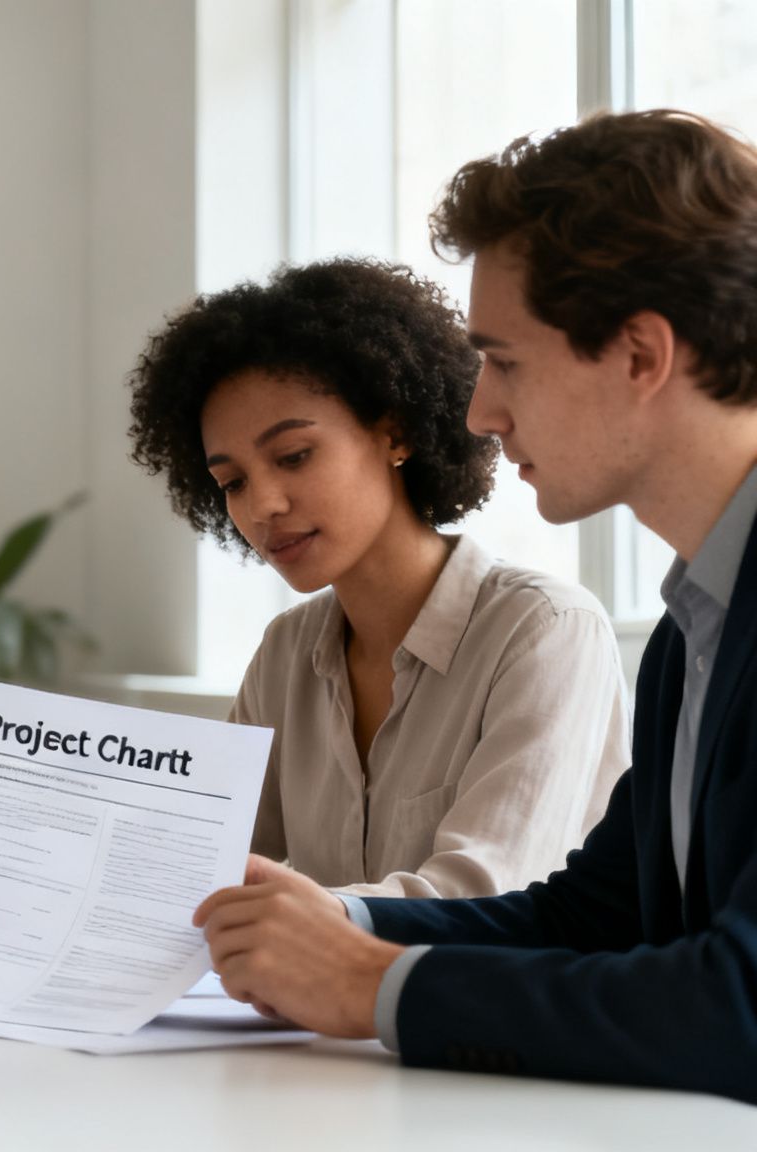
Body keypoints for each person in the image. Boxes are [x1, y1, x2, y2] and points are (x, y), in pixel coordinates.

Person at [194, 109, 757, 1104]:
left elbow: (739, 1005)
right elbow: (597, 915)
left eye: (504, 361)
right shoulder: (691, 633)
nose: (478, 413)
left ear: (637, 356)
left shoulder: (636, 625)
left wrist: (369, 983)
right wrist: (328, 926)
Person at [0, 259, 628, 905]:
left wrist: (276, 915)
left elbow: (483, 897)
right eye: (232, 480)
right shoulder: (288, 653)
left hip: (492, 1054)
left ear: (395, 431)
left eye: (295, 456)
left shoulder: (543, 632)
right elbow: (197, 875)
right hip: (324, 1050)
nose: (261, 506)